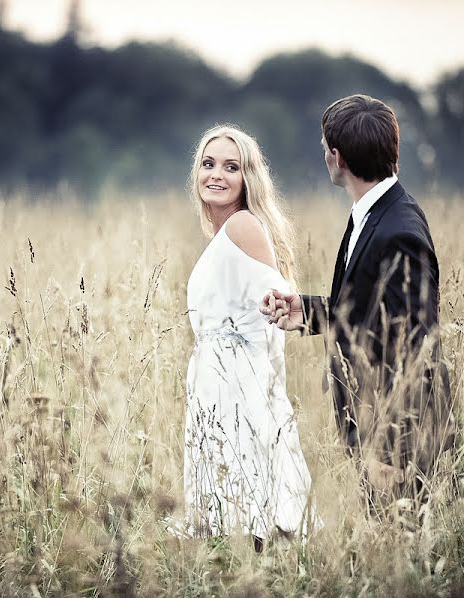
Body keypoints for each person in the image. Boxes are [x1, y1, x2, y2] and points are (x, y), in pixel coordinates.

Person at [261, 94, 455, 497]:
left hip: (400, 448)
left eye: (324, 150)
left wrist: (392, 453)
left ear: (338, 158)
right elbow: (376, 313)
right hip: (372, 429)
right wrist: (309, 312)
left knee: (402, 553)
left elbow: (416, 349)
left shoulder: (398, 230)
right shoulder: (375, 212)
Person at [183, 124, 318, 548]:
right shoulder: (226, 233)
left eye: (230, 166)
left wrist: (264, 406)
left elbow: (274, 313)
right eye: (208, 164)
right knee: (226, 527)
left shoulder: (243, 226)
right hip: (214, 388)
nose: (216, 175)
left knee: (245, 521)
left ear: (248, 178)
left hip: (237, 394)